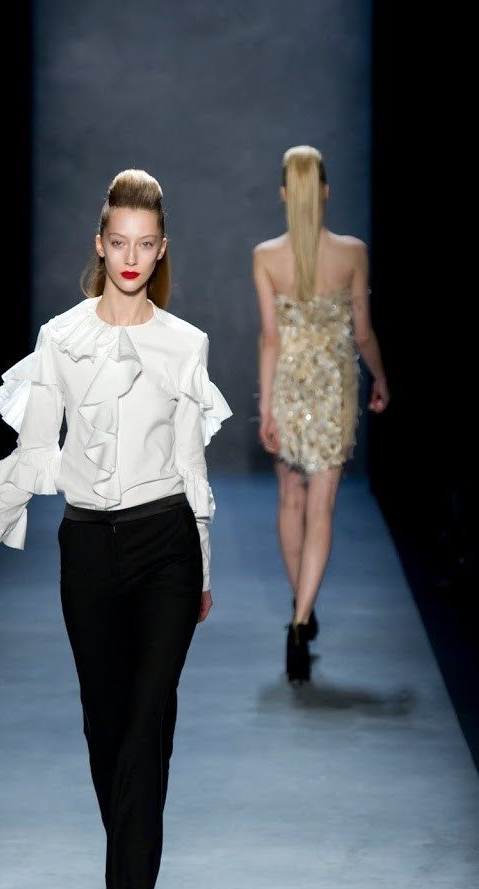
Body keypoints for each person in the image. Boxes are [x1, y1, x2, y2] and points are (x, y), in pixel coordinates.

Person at [0, 169, 231, 889]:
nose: (132, 257)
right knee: (105, 734)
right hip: (86, 550)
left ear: (161, 248)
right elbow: (36, 449)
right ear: (100, 245)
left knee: (145, 734)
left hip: (165, 546)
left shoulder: (184, 344)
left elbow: (190, 464)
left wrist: (203, 566)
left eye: (146, 244)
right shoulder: (60, 337)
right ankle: (131, 885)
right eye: (119, 242)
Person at [252, 145, 389, 683]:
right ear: (325, 192)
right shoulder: (352, 252)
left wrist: (266, 405)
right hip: (333, 389)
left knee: (291, 499)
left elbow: (270, 338)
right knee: (322, 506)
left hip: (288, 387)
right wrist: (380, 377)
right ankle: (301, 618)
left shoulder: (266, 256)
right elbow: (363, 334)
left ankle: (300, 609)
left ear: (285, 194)